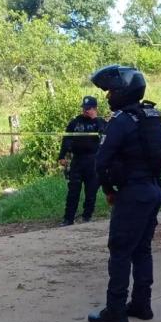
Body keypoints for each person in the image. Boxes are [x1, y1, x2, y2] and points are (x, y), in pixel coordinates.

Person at [87, 65, 161, 322]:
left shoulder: (121, 121)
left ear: (122, 90)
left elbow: (101, 161)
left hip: (133, 194)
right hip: (154, 190)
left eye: (110, 90)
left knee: (120, 251)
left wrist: (109, 190)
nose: (108, 95)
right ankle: (142, 304)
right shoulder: (152, 115)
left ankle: (116, 311)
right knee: (142, 250)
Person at [58, 96, 106, 225]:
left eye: (89, 109)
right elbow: (66, 139)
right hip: (77, 161)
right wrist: (62, 156)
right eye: (84, 108)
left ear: (95, 108)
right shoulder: (75, 122)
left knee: (91, 192)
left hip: (93, 162)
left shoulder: (100, 122)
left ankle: (87, 217)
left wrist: (96, 120)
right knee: (73, 191)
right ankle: (68, 219)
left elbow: (106, 138)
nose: (85, 111)